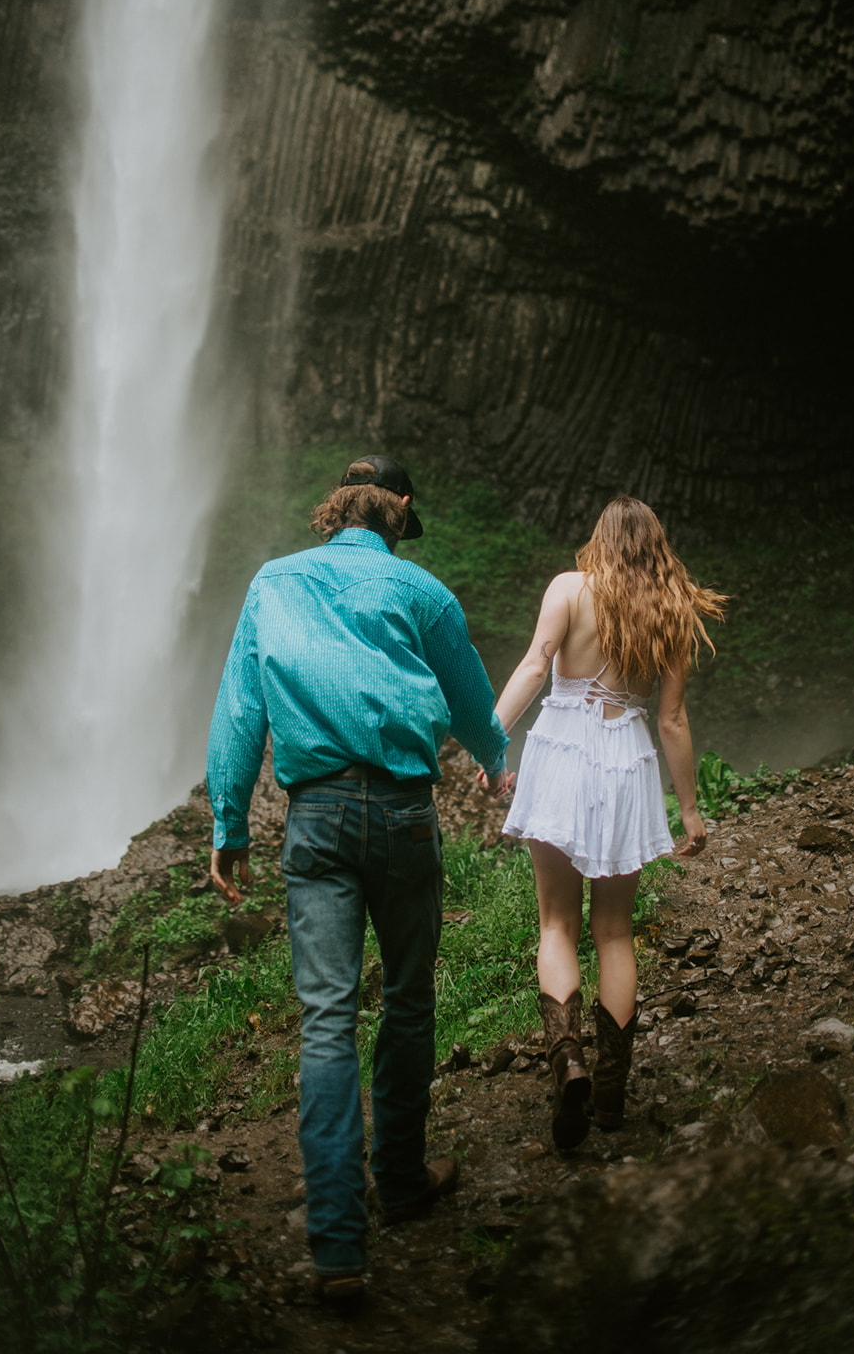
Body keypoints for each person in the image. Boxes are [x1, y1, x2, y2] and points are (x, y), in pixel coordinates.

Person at [207, 455, 511, 1303]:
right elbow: (472, 701)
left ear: (336, 509)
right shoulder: (423, 595)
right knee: (409, 997)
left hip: (317, 818)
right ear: (400, 514)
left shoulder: (273, 583)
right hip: (407, 814)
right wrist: (496, 763)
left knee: (327, 1018)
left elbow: (239, 709)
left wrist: (229, 826)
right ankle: (404, 1181)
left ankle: (339, 1245)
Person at [479, 496, 726, 1149]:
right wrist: (691, 810)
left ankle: (570, 1063)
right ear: (656, 546)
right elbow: (671, 720)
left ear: (599, 539)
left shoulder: (568, 588)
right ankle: (612, 1093)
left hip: (560, 752)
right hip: (625, 761)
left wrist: (489, 740)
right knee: (614, 932)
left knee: (556, 924)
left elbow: (535, 666)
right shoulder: (671, 612)